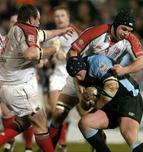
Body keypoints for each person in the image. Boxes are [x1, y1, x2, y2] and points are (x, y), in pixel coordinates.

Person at [50, 9, 143, 148]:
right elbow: (73, 51)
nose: (126, 33)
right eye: (124, 29)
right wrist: (79, 80)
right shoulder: (96, 32)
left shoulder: (129, 39)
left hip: (102, 81)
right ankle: (48, 149)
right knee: (58, 113)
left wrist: (124, 70)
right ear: (115, 24)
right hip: (81, 74)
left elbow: (141, 62)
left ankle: (98, 144)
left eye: (129, 30)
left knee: (87, 115)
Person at [0, 4, 72, 152]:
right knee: (40, 121)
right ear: (31, 19)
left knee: (25, 122)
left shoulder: (18, 29)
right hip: (19, 87)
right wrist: (53, 49)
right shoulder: (26, 30)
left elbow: (43, 34)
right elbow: (30, 54)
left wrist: (60, 32)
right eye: (38, 19)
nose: (39, 22)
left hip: (10, 85)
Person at [66, 54, 143, 152]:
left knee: (128, 133)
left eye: (78, 74)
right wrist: (86, 99)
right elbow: (85, 106)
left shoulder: (97, 61)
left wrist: (96, 99)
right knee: (85, 123)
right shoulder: (78, 77)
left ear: (83, 67)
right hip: (109, 102)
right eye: (75, 76)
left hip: (128, 98)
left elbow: (112, 86)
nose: (78, 78)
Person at [46, 6, 80, 151]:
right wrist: (47, 60)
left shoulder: (75, 34)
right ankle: (60, 144)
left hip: (73, 77)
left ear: (68, 18)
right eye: (56, 16)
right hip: (57, 76)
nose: (59, 18)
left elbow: (82, 56)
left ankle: (97, 143)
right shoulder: (51, 35)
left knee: (85, 113)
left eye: (62, 15)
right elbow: (47, 57)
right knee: (57, 112)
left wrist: (66, 57)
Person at [0, 13, 34, 152]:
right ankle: (10, 141)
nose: (15, 25)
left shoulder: (26, 41)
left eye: (17, 22)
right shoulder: (3, 40)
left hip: (24, 82)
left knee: (27, 115)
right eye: (12, 22)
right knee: (6, 113)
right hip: (5, 81)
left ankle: (28, 147)